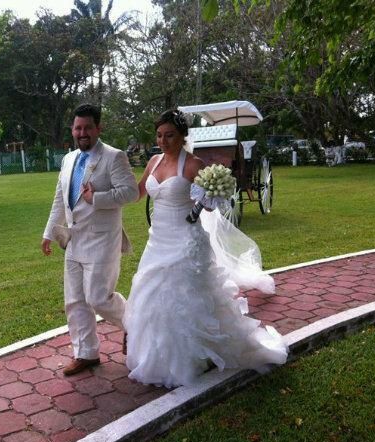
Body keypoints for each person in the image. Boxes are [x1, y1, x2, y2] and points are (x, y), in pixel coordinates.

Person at [123, 109, 287, 388]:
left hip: (185, 241)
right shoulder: (153, 161)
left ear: (182, 135)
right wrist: (109, 189)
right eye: (159, 135)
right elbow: (138, 193)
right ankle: (156, 355)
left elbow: (211, 205)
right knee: (151, 297)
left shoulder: (194, 165)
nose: (163, 141)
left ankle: (192, 357)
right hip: (157, 242)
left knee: (183, 299)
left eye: (170, 135)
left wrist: (209, 199)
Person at [42, 103, 139, 376]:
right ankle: (86, 353)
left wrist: (96, 198)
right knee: (74, 300)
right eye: (77, 128)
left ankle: (137, 325)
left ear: (98, 128)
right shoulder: (68, 159)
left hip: (102, 241)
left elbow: (131, 192)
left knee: (98, 298)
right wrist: (49, 233)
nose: (82, 132)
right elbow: (60, 198)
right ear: (72, 129)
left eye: (87, 127)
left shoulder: (114, 157)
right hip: (73, 241)